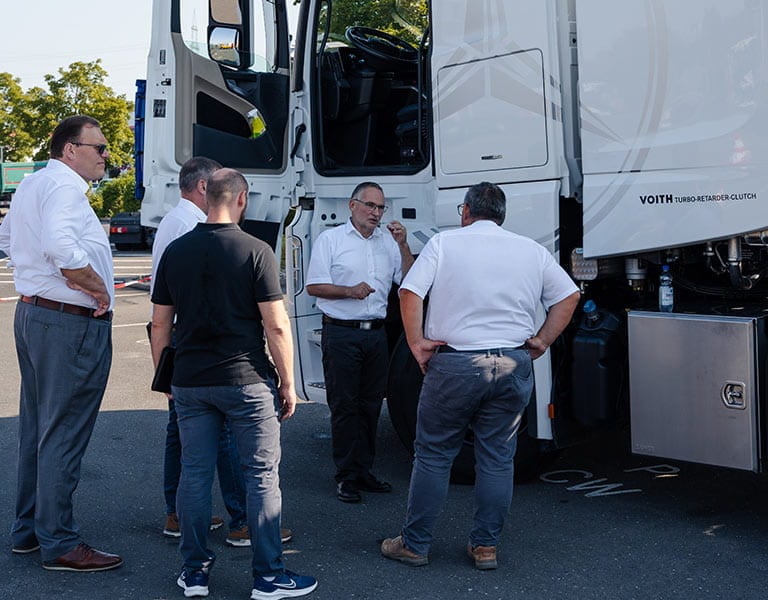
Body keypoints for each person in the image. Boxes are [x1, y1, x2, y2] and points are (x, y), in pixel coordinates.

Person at [381, 181, 580, 570]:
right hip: (512, 363)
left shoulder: (444, 244)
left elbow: (409, 291)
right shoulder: (530, 249)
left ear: (465, 212)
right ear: (502, 215)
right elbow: (568, 295)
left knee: (435, 455)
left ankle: (415, 544)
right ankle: (485, 547)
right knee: (497, 458)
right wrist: (542, 340)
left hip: (456, 364)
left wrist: (417, 342)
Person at [151, 168, 317, 599]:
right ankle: (268, 576)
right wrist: (287, 381)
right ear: (241, 199)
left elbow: (160, 323)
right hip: (245, 380)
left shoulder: (176, 251)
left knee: (194, 474)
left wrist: (165, 378)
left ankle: (194, 573)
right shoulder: (256, 251)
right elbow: (276, 326)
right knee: (261, 475)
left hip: (190, 381)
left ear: (207, 198)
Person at [0, 115, 122, 571]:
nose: (106, 155)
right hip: (67, 322)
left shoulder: (33, 184)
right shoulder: (67, 188)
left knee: (38, 428)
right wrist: (96, 288)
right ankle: (60, 542)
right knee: (63, 432)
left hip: (34, 313)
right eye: (99, 147)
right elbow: (62, 249)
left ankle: (30, 531)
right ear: (70, 150)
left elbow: (8, 237)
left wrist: (38, 277)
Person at [306, 182, 414, 503]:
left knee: (370, 406)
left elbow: (408, 279)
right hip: (341, 332)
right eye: (369, 206)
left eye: (380, 208)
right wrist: (349, 291)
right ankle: (346, 476)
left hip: (376, 335)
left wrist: (404, 245)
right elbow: (314, 286)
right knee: (344, 406)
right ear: (352, 206)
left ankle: (365, 471)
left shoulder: (387, 242)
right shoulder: (331, 239)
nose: (375, 213)